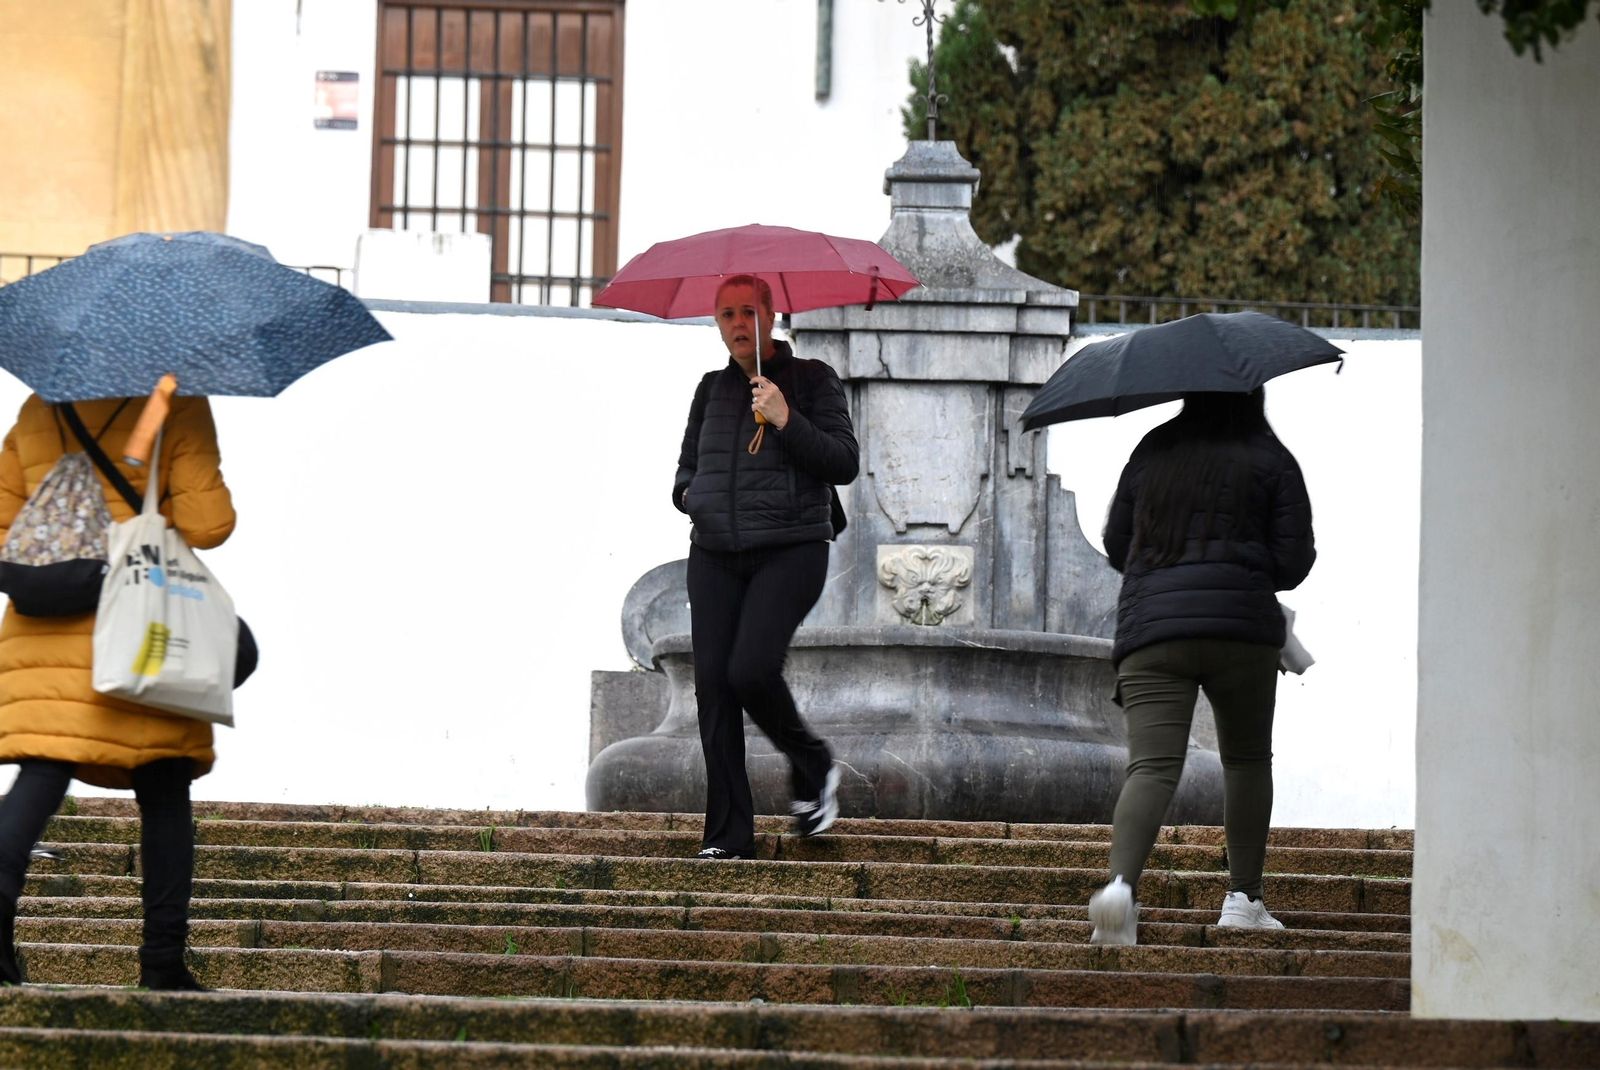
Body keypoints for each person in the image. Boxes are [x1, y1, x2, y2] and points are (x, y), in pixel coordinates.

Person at [0, 394, 236, 988]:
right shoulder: (175, 404)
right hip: (142, 625)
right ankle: (161, 965)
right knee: (162, 785)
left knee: (41, 774)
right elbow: (210, 526)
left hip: (50, 631)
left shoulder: (38, 410)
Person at [1087, 388, 1315, 945]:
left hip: (1153, 631)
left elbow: (1118, 545)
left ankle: (1119, 890)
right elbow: (1293, 561)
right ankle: (1243, 899)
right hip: (1241, 629)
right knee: (1245, 760)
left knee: (1151, 767)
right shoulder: (1271, 457)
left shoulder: (1153, 449)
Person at [673, 275, 858, 860]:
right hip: (716, 553)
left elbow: (844, 462)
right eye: (724, 313)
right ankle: (728, 835)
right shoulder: (710, 391)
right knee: (713, 690)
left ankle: (813, 763)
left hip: (792, 547)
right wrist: (696, 497)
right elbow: (683, 475)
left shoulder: (811, 379)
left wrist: (783, 417)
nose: (735, 324)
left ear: (771, 315)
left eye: (746, 311)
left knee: (750, 670)